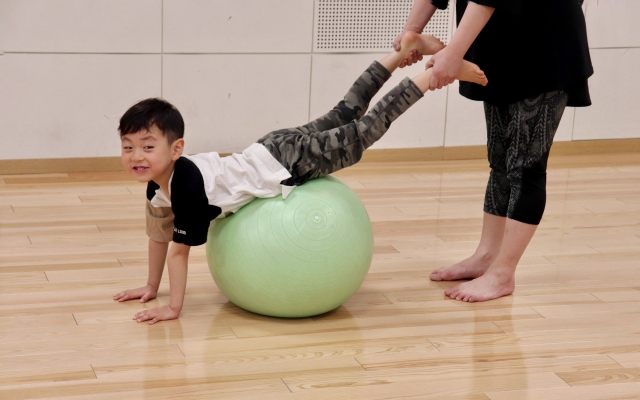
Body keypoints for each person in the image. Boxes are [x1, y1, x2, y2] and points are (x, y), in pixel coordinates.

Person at [113, 32, 488, 324]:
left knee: (366, 130)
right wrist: (150, 286)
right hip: (270, 146)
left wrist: (173, 308)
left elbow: (180, 252)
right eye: (128, 147)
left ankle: (435, 73)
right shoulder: (156, 189)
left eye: (148, 147)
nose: (136, 157)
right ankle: (400, 50)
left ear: (176, 149)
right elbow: (159, 236)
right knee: (345, 111)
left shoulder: (187, 190)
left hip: (289, 162)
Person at [394, 0, 593, 302]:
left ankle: (503, 275)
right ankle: (486, 257)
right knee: (500, 160)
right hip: (501, 46)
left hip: (545, 42)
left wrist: (455, 52)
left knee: (526, 166)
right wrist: (411, 33)